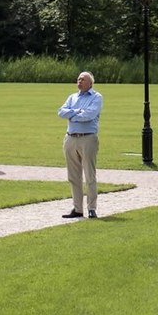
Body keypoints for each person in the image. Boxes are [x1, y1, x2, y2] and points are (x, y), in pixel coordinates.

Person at [58, 70, 103, 219]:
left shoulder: (96, 97)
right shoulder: (72, 97)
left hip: (87, 138)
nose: (79, 81)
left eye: (83, 79)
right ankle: (77, 208)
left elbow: (89, 115)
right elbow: (61, 112)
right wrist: (77, 112)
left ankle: (91, 208)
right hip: (71, 138)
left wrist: (72, 115)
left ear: (90, 83)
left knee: (90, 175)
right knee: (73, 176)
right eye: (78, 79)